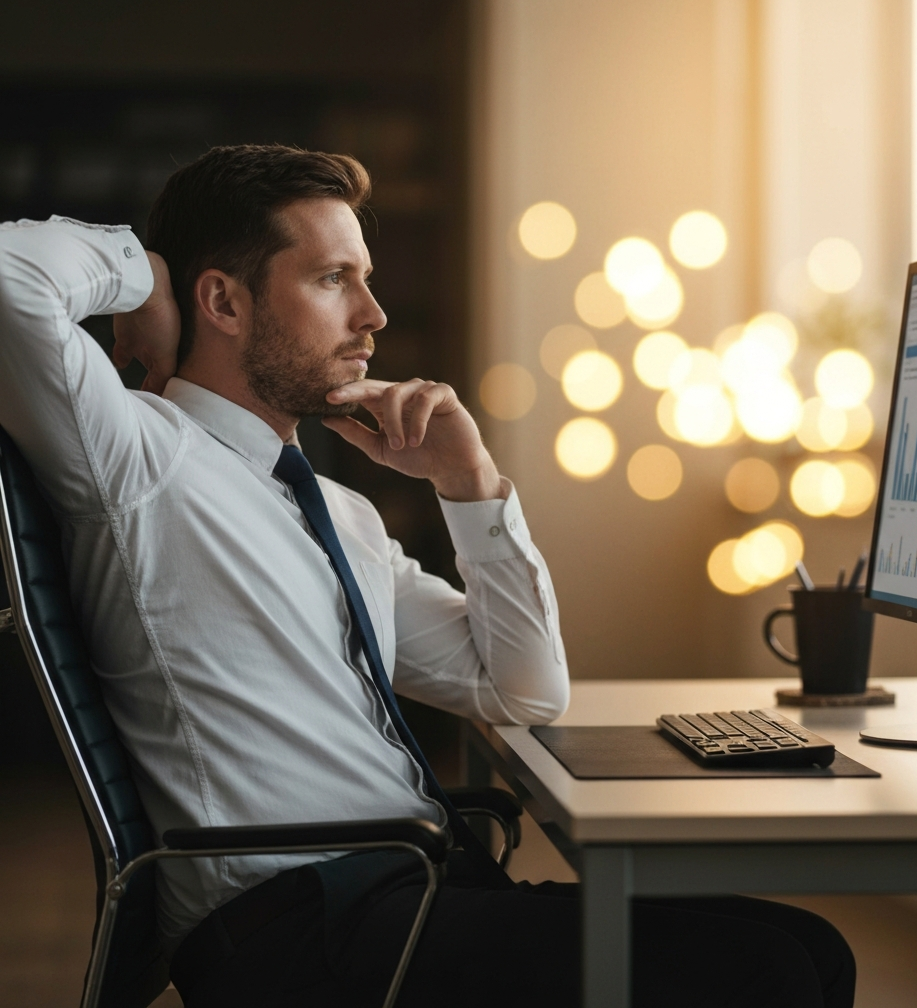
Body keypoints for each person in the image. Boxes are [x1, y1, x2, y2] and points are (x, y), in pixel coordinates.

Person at [0, 144, 855, 1008]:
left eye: (365, 278)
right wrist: (144, 277)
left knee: (810, 948)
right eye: (334, 279)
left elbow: (522, 688)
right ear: (222, 299)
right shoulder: (140, 457)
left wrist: (469, 483)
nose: (373, 314)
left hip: (412, 893)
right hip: (301, 935)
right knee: (766, 975)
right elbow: (9, 278)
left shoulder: (337, 511)